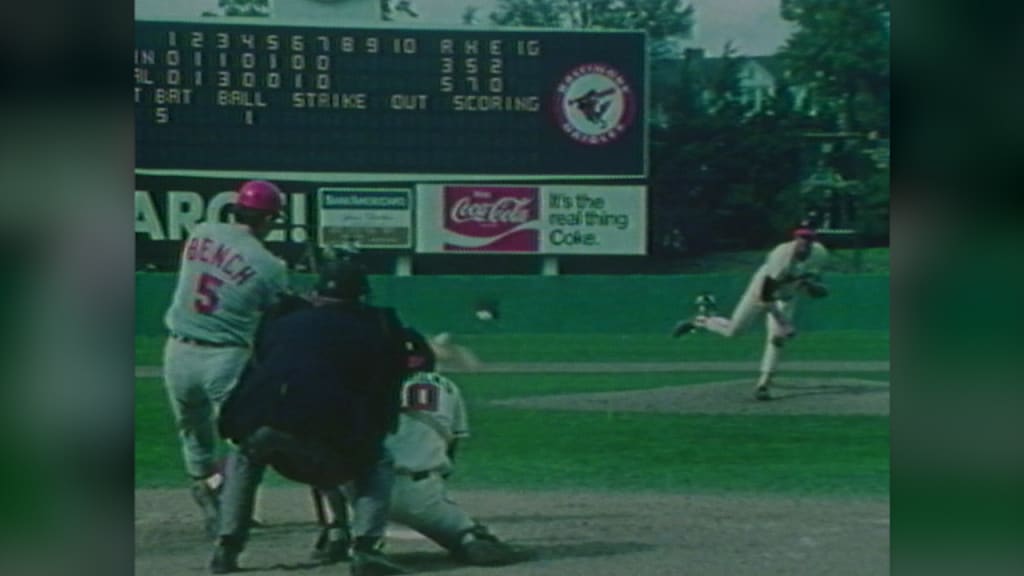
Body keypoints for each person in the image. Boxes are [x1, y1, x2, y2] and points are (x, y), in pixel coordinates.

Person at [210, 258, 410, 576]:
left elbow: (253, 376)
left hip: (262, 424)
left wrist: (233, 428)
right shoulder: (377, 325)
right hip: (324, 434)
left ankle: (227, 547)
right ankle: (366, 547)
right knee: (378, 462)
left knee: (244, 457)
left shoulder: (281, 321)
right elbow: (387, 385)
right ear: (361, 294)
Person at [312, 328, 520, 567]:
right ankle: (467, 538)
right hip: (419, 493)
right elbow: (451, 448)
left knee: (324, 458)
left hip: (359, 489)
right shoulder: (446, 387)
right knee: (469, 535)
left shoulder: (361, 383)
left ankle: (338, 530)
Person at [162, 180, 289, 538]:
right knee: (247, 439)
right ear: (269, 218)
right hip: (225, 357)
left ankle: (207, 491)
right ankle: (231, 504)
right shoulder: (269, 264)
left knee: (193, 432)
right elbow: (273, 315)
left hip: (177, 351)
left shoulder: (201, 231)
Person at [671, 227, 829, 400]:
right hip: (761, 289)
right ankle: (701, 320)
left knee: (777, 338)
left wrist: (813, 287)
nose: (804, 244)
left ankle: (764, 383)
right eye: (801, 239)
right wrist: (784, 322)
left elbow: (816, 286)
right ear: (795, 239)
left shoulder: (819, 254)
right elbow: (766, 296)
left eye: (808, 240)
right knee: (734, 331)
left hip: (788, 295)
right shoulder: (780, 255)